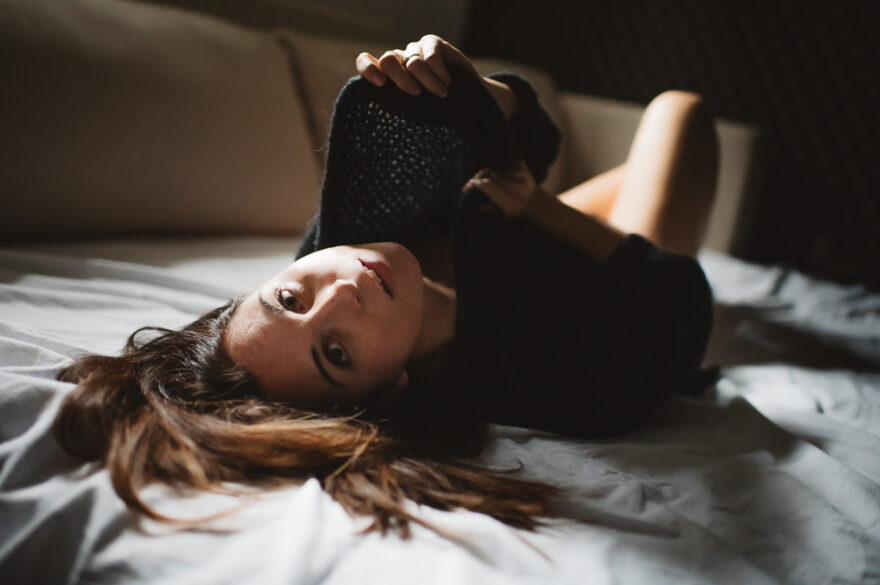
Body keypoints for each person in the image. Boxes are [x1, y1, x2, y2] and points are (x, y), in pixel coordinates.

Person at [53, 35, 717, 537]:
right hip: (610, 280)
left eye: (289, 298)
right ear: (389, 387)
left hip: (517, 240)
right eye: (336, 352)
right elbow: (681, 295)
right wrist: (544, 211)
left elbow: (522, 151)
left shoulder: (341, 246)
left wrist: (486, 99)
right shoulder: (567, 376)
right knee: (679, 111)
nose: (342, 292)